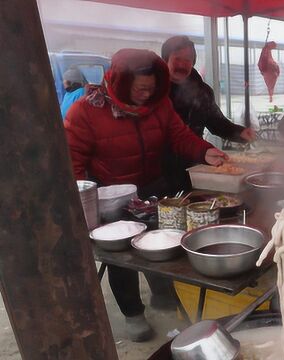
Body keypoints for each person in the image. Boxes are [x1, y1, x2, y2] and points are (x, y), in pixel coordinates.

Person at [65, 48, 228, 342]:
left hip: (153, 188)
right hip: (110, 195)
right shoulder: (86, 111)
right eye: (140, 89)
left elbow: (179, 136)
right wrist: (84, 206)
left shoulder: (160, 105)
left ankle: (162, 293)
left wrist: (205, 152)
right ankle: (133, 314)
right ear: (120, 82)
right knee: (122, 259)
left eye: (152, 89)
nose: (146, 95)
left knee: (160, 245)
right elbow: (72, 161)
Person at [160, 35, 256, 192]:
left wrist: (240, 132)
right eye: (177, 59)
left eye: (188, 60)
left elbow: (217, 122)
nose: (183, 65)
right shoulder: (155, 91)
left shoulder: (202, 92)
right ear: (165, 59)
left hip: (195, 166)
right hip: (160, 172)